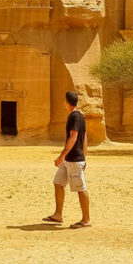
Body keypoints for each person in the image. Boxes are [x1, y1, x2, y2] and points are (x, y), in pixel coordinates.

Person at [43, 90, 90, 228]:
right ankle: (58, 215)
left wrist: (61, 156)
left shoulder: (74, 117)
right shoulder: (80, 116)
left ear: (66, 102)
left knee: (80, 188)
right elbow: (85, 138)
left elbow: (74, 137)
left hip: (73, 159)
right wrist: (85, 157)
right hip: (69, 159)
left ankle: (86, 220)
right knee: (58, 183)